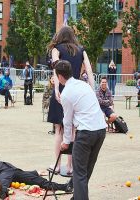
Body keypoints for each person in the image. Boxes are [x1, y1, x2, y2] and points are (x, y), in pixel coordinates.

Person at [55, 60, 106, 200]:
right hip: (101, 130)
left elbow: (67, 120)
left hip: (86, 133)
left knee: (79, 173)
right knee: (86, 170)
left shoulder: (66, 94)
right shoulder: (84, 85)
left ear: (59, 77)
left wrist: (65, 141)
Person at [47, 26, 94, 174]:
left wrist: (56, 89)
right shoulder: (81, 50)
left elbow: (56, 69)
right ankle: (70, 168)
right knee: (73, 130)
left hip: (61, 89)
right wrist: (91, 90)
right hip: (76, 90)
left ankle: (56, 166)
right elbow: (89, 71)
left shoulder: (56, 49)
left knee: (59, 130)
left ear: (59, 35)